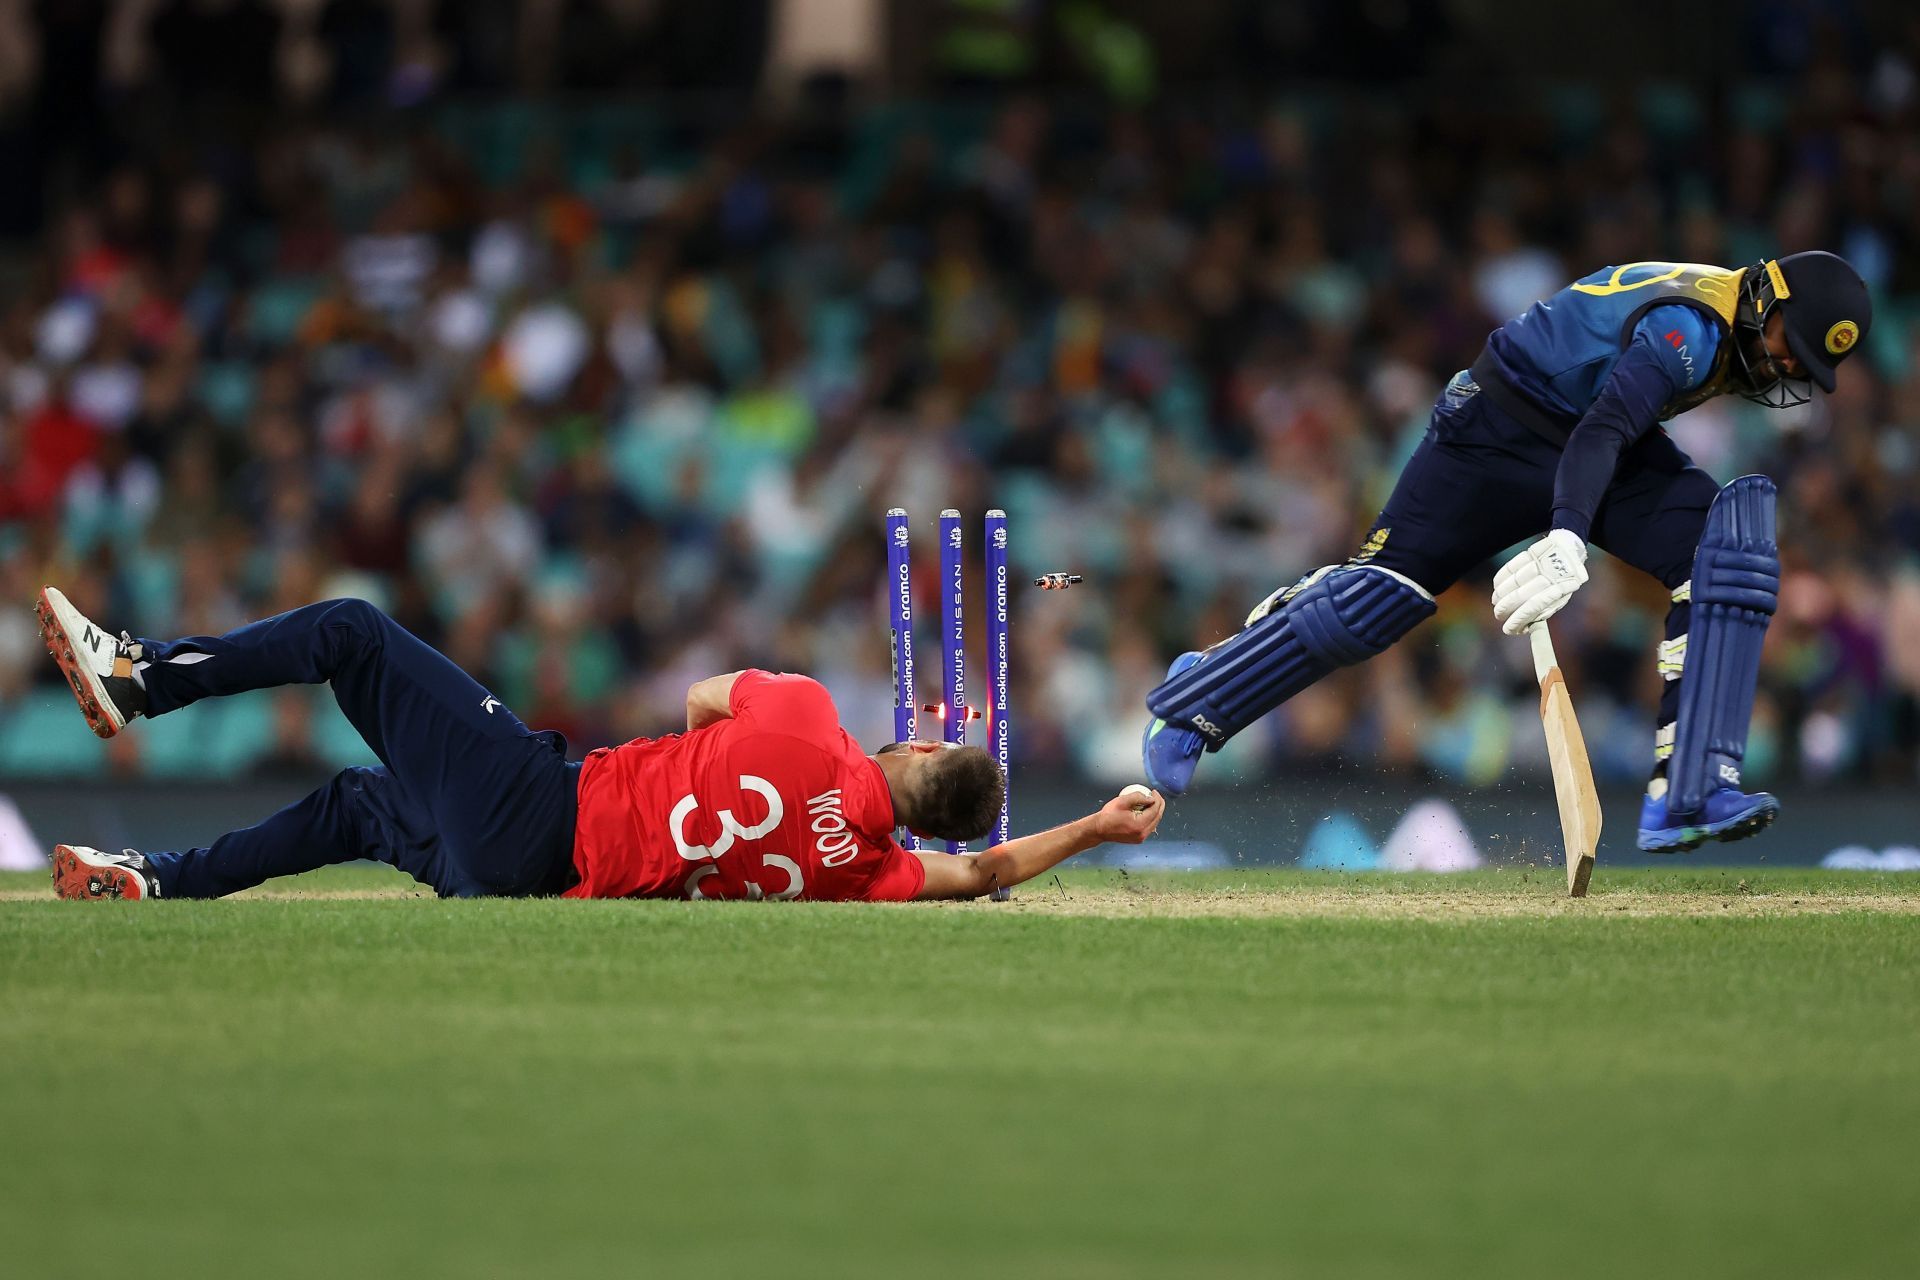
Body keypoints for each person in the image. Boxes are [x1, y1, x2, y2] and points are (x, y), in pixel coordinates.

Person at [1142, 253, 1873, 853]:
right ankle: (1198, 698)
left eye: (1799, 364)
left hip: (1588, 434)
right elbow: (1605, 430)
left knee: (1725, 548)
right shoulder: (1690, 328)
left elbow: (1605, 428)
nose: (1782, 367)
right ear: (1764, 297)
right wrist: (1564, 536)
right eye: (1787, 344)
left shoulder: (1722, 327)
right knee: (1377, 601)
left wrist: (1570, 521)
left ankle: (1690, 791)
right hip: (1492, 432)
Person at [35, 588, 1165, 902]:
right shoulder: (872, 873)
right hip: (525, 877)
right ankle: (156, 878)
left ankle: (140, 680)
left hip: (553, 805)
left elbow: (701, 696)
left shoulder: (813, 718)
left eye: (923, 735)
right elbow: (988, 870)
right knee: (349, 805)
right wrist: (1098, 830)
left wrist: (682, 768)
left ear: (919, 749)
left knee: (353, 631)